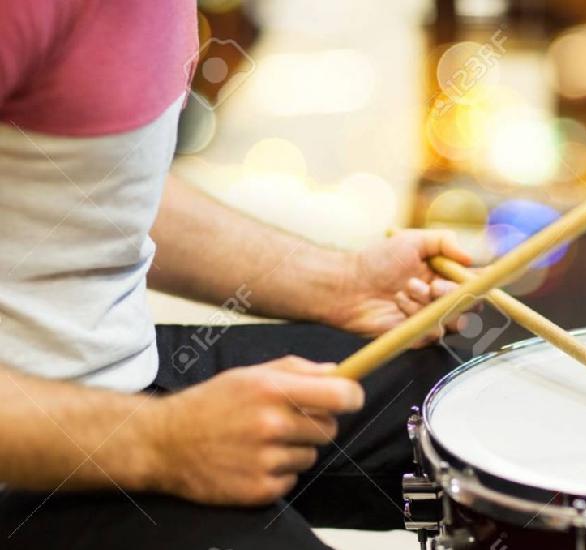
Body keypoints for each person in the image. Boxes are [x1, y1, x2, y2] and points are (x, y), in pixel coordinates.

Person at [0, 1, 470, 548]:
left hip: (110, 379)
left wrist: (339, 282)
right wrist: (162, 443)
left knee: (458, 407)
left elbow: (94, 187)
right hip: (26, 454)